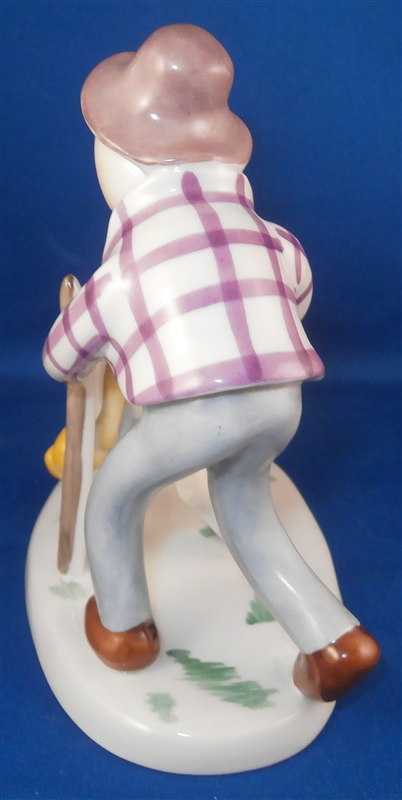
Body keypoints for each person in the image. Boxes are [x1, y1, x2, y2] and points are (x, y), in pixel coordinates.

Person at [43, 24, 380, 701]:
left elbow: (61, 358)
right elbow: (298, 290)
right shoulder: (270, 235)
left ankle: (123, 627)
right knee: (245, 504)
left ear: (125, 161)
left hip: (189, 417)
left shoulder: (123, 269)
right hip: (280, 402)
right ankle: (334, 641)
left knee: (114, 500)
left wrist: (88, 349)